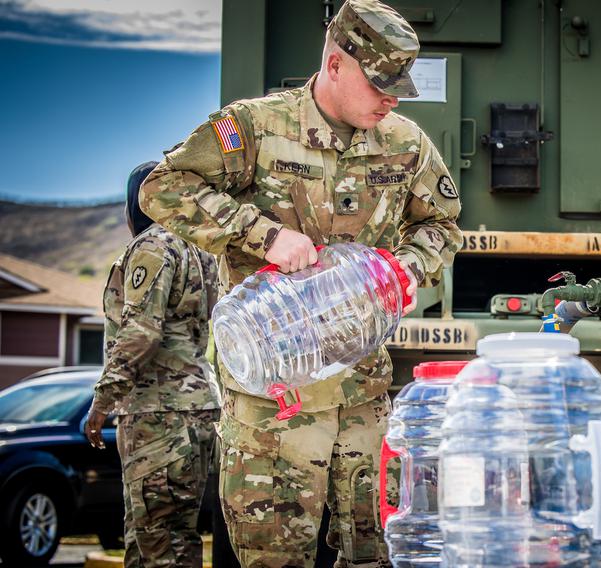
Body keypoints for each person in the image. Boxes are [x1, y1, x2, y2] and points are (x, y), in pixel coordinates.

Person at [138, 0, 463, 565]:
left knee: (377, 555)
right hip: (274, 402)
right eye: (381, 82)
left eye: (400, 85)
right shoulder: (256, 127)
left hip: (362, 394)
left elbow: (441, 225)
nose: (392, 97)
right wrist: (262, 235)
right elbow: (162, 187)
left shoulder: (405, 143)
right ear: (336, 64)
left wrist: (404, 269)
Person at [85, 161, 221, 567]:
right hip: (197, 408)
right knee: (177, 537)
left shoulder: (151, 247)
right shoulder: (202, 251)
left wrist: (103, 400)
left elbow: (141, 332)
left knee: (154, 542)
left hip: (157, 412)